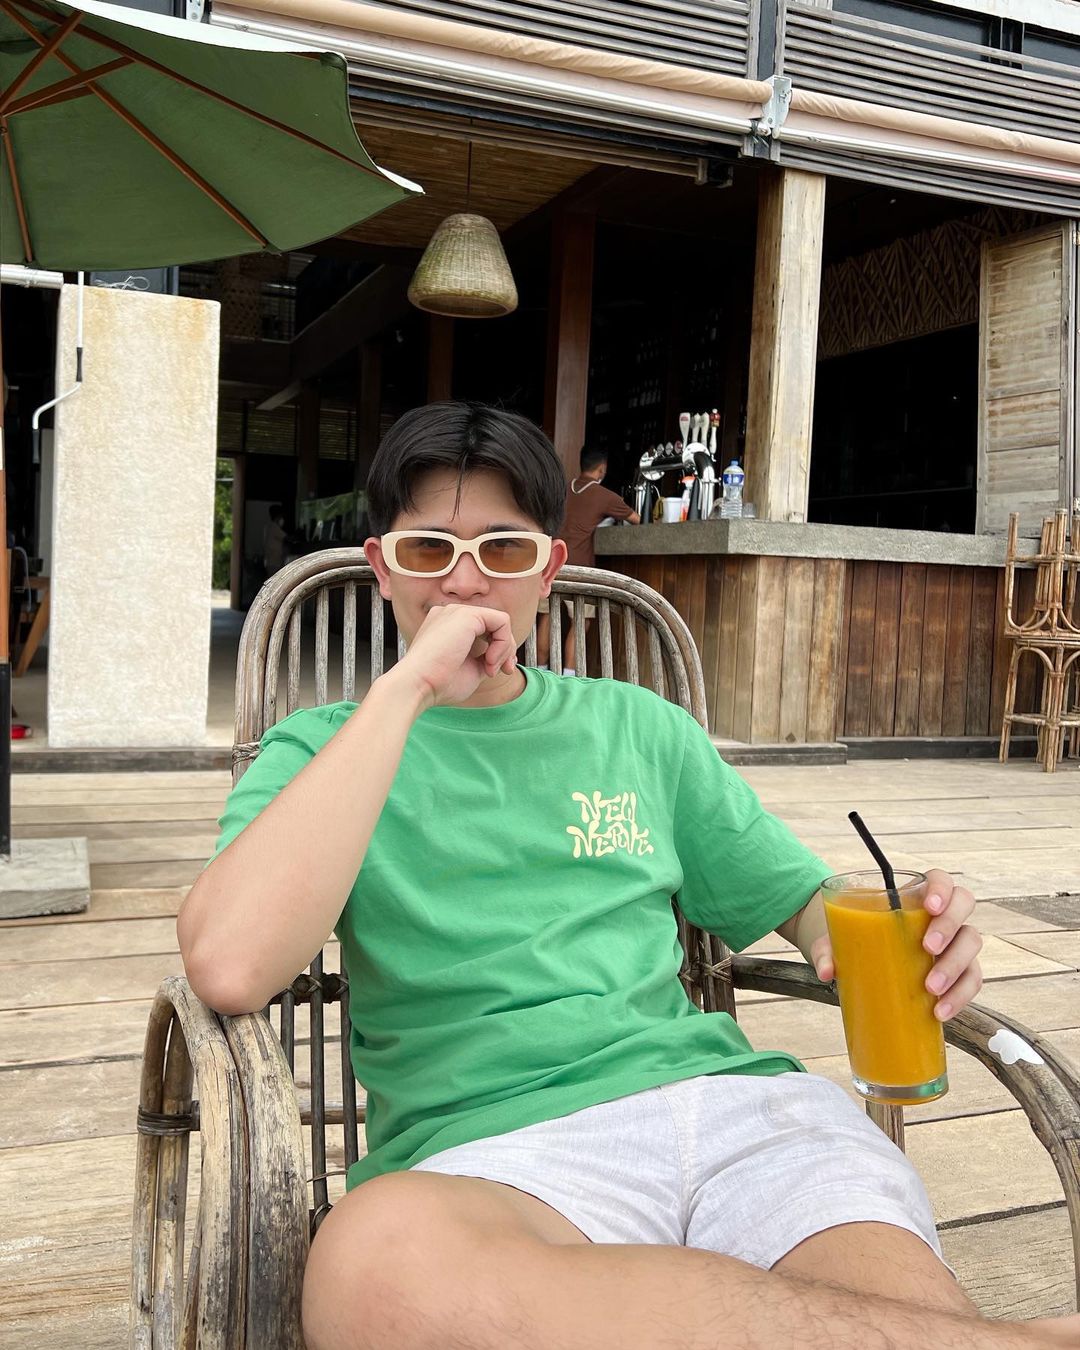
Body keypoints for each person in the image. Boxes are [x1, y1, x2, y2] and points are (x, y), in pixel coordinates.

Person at [178, 402, 1075, 1350]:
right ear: (383, 567)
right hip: (491, 1162)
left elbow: (808, 909)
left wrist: (908, 931)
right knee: (373, 1274)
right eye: (430, 549)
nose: (465, 581)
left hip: (740, 1117)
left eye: (503, 550)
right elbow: (231, 966)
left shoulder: (639, 728)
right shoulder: (321, 752)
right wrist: (406, 693)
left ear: (549, 570)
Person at [536, 444, 639, 675]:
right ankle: (569, 676)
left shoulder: (562, 490)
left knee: (546, 617)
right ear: (602, 469)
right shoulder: (605, 496)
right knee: (580, 622)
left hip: (549, 564)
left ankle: (540, 671)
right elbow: (636, 519)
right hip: (579, 568)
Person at [262, 503, 289, 576]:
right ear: (278, 516)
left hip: (271, 561)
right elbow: (287, 538)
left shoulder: (269, 526)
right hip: (274, 562)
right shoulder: (274, 527)